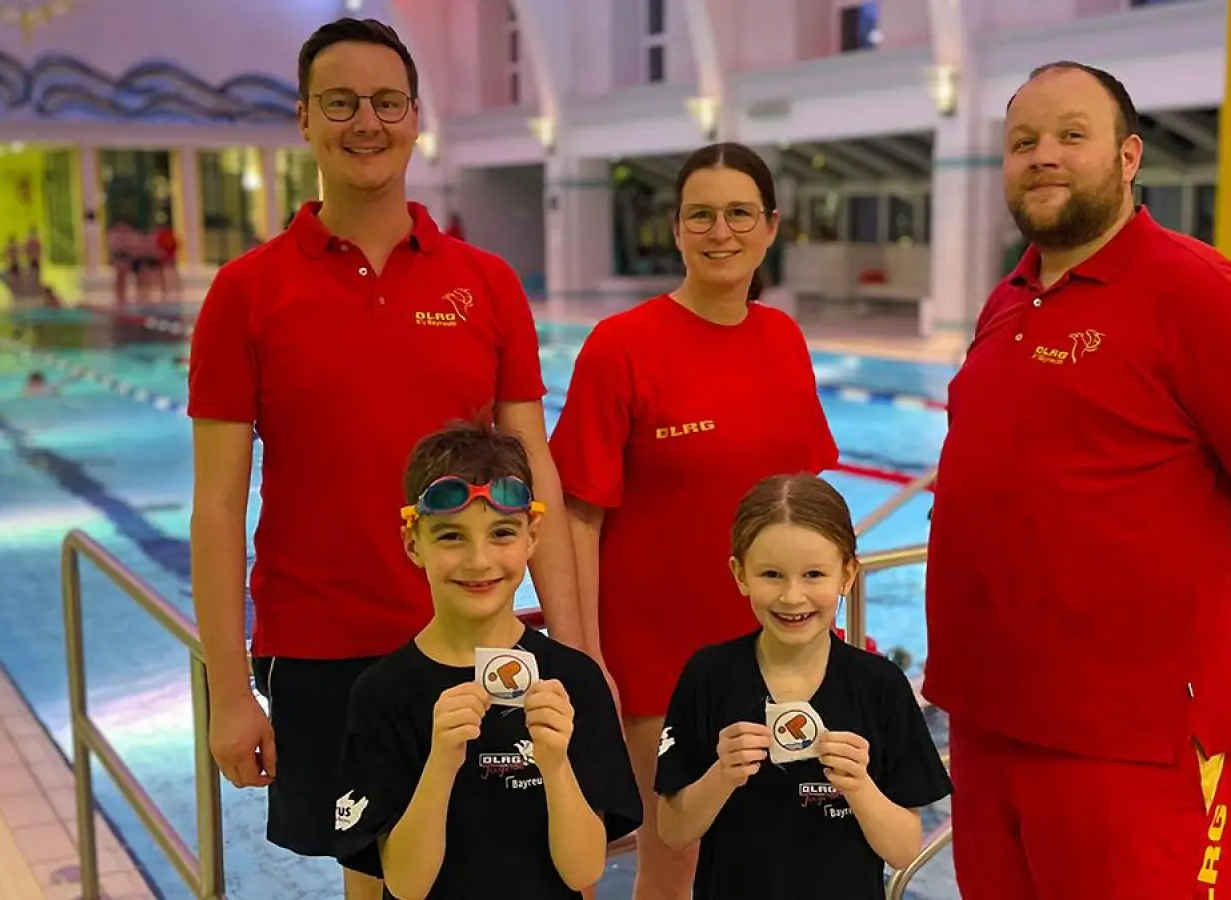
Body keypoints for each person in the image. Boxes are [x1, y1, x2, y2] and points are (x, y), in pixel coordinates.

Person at [186, 17, 584, 900]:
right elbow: (217, 506)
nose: (366, 122)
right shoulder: (247, 292)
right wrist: (228, 694)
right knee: (372, 877)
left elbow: (538, 472)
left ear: (415, 117)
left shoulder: (485, 282)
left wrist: (576, 653)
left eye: (386, 101)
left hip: (477, 634)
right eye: (341, 102)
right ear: (304, 119)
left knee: (504, 865)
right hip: (324, 648)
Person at [923, 61, 1231, 900]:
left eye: (1072, 135)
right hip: (987, 714)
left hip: (1133, 738)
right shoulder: (1009, 299)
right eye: (1022, 142)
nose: (1043, 156)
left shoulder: (1199, 292)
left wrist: (1223, 594)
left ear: (1128, 156)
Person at [548, 141, 839, 899]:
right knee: (672, 856)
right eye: (701, 215)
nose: (721, 232)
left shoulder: (784, 340)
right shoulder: (623, 348)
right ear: (676, 229)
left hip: (781, 648)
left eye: (740, 213)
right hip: (657, 666)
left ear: (771, 226)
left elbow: (807, 498)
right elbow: (575, 517)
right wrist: (583, 660)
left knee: (777, 849)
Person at [336, 421, 641, 899]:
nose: (479, 561)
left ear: (532, 536)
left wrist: (556, 765)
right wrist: (440, 763)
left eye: (501, 533)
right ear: (414, 543)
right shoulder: (384, 693)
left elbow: (584, 871)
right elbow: (405, 883)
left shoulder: (573, 681)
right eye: (451, 537)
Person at [654, 474, 950, 900]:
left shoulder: (878, 686)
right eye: (771, 574)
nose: (793, 597)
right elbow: (673, 831)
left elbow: (904, 850)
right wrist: (721, 775)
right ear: (740, 575)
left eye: (814, 574)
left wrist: (859, 787)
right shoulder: (710, 676)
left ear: (847, 574)